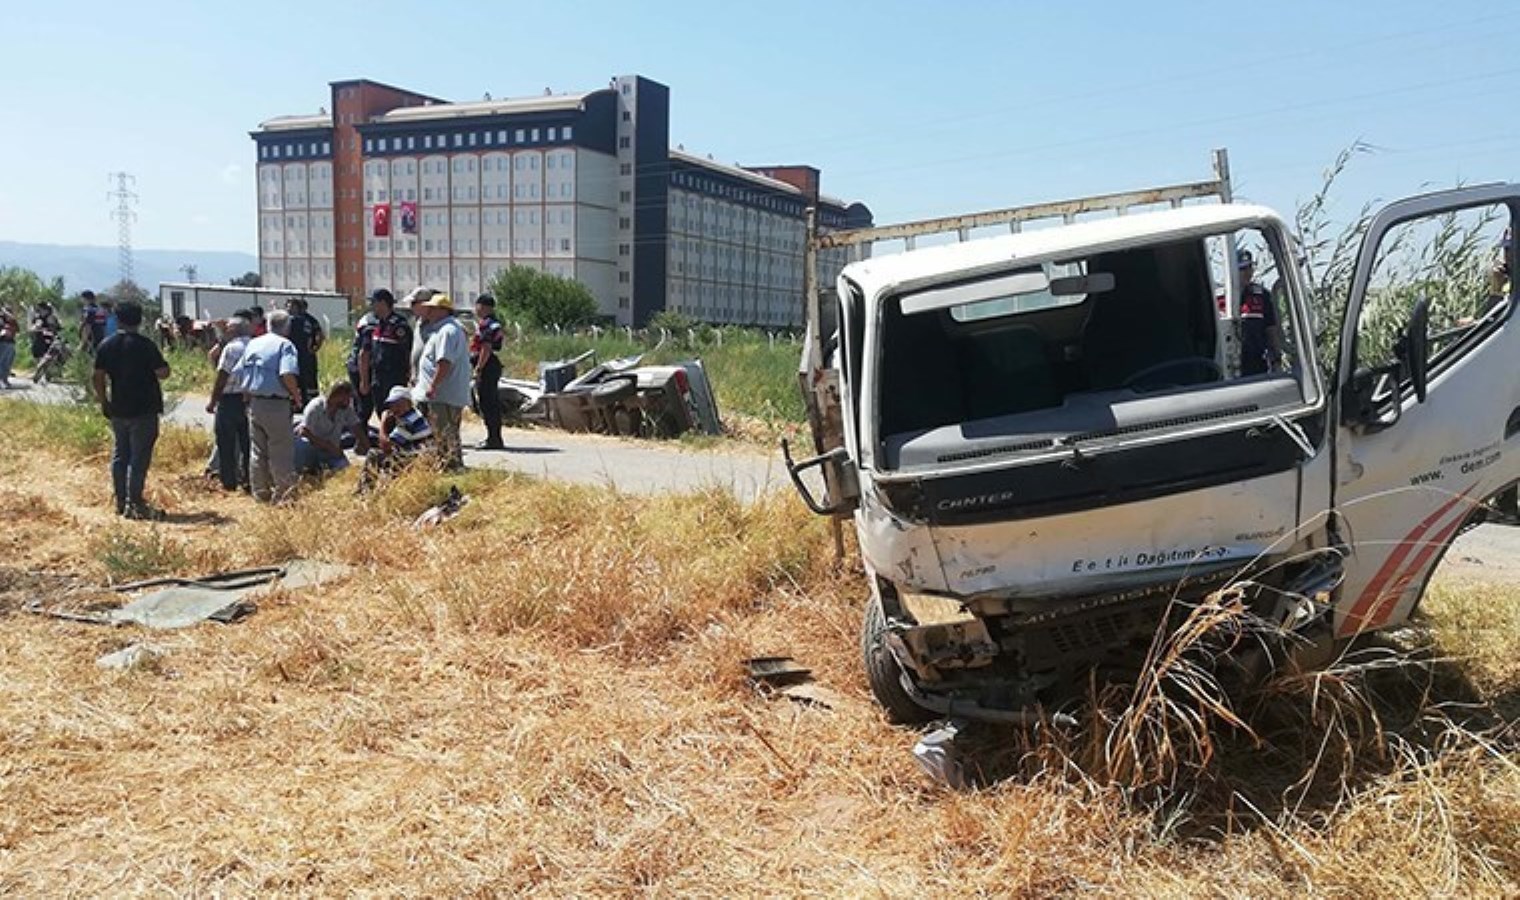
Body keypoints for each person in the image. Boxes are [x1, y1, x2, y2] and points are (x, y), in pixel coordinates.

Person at [91, 301, 170, 519]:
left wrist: (103, 400)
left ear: (118, 319)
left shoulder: (107, 345)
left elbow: (97, 376)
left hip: (118, 407)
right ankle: (134, 503)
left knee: (120, 456)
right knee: (139, 458)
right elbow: (163, 372)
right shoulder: (146, 345)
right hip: (144, 408)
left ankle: (121, 501)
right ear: (140, 319)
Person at [233, 308, 302, 503]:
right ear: (286, 327)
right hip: (276, 403)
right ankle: (284, 494)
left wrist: (248, 394)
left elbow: (239, 372)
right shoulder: (285, 345)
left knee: (258, 451)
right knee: (281, 451)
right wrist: (296, 396)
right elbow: (286, 374)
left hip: (255, 403)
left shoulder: (253, 344)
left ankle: (261, 493)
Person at [412, 292, 471, 470]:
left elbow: (444, 362)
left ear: (443, 311)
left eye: (432, 308)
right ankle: (444, 465)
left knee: (444, 433)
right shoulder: (442, 329)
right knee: (440, 433)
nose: (428, 311)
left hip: (442, 395)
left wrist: (433, 385)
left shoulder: (448, 331)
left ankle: (451, 467)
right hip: (439, 394)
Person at [205, 314, 252, 491]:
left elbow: (222, 376)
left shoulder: (232, 348)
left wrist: (212, 401)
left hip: (230, 399)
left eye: (227, 328)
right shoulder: (256, 345)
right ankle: (248, 478)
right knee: (247, 443)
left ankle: (229, 481)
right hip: (250, 399)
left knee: (226, 442)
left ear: (233, 330)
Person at [358, 385, 434, 492]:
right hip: (420, 458)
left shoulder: (409, 421)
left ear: (408, 403)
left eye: (399, 404)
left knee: (373, 454)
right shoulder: (415, 415)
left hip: (416, 461)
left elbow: (385, 446)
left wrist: (383, 423)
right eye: (392, 405)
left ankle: (364, 492)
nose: (395, 408)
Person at [358, 289, 412, 424]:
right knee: (381, 411)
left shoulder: (399, 326)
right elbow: (366, 352)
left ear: (383, 303)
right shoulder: (376, 325)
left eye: (374, 303)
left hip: (394, 377)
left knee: (396, 413)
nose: (372, 307)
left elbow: (408, 352)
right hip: (378, 377)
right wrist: (364, 380)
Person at [294, 381, 370, 474]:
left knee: (344, 468)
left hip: (331, 452)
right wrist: (328, 446)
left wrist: (368, 449)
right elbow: (304, 432)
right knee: (302, 446)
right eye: (348, 398)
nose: (349, 401)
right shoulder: (315, 407)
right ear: (339, 395)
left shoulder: (345, 410)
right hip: (312, 448)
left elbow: (356, 427)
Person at [1237, 249, 1284, 377]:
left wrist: (1277, 359)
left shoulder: (1261, 295)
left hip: (1257, 363)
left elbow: (1271, 329)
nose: (1247, 272)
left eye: (1249, 267)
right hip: (1230, 364)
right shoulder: (1218, 298)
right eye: (1243, 269)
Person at [471, 293, 506, 450]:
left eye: (477, 305)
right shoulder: (494, 323)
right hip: (492, 364)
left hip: (487, 365)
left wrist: (479, 368)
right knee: (490, 401)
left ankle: (493, 438)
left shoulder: (486, 324)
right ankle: (494, 436)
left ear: (483, 306)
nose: (476, 309)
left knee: (487, 402)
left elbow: (486, 347)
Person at [347, 293, 382, 424]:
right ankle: (361, 440)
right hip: (361, 367)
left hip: (361, 365)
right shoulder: (371, 322)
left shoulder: (368, 318)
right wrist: (364, 380)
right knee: (364, 407)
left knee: (362, 405)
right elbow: (364, 354)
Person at [285, 297, 325, 405]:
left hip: (302, 355)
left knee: (305, 379)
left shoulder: (297, 320)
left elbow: (319, 335)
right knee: (305, 379)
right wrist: (314, 348)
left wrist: (314, 348)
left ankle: (305, 402)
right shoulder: (308, 319)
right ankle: (306, 401)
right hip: (304, 354)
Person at [79, 290, 107, 355]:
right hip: (100, 340)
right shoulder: (101, 311)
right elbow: (103, 327)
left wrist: (83, 343)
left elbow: (88, 327)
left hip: (90, 342)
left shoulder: (89, 311)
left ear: (85, 298)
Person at [0, 306, 18, 388]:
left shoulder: (12, 321)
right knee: (2, 362)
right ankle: (1, 380)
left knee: (8, 363)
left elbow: (17, 329)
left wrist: (4, 310)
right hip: (2, 343)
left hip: (10, 343)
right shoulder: (1, 320)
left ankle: (5, 380)